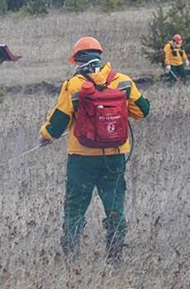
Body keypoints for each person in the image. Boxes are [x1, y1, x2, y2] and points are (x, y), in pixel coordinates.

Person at [39, 36, 150, 266]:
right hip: (116, 155)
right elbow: (143, 110)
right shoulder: (123, 81)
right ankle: (115, 257)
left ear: (77, 59)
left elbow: (58, 123)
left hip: (82, 158)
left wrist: (45, 137)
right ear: (100, 55)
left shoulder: (74, 85)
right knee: (114, 203)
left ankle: (72, 257)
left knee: (75, 206)